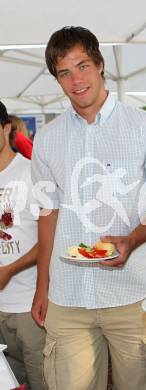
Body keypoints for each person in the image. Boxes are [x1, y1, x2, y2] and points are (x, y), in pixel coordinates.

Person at [30, 26, 146, 390]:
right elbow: (48, 212)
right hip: (68, 295)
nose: (76, 80)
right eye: (65, 72)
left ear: (100, 65)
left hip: (130, 294)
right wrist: (42, 285)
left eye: (82, 66)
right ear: (57, 80)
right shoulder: (46, 139)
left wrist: (131, 240)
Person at [0, 101, 45, 390]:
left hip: (29, 306)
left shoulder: (31, 174)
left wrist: (10, 269)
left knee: (44, 381)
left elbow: (51, 241)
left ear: (7, 129)